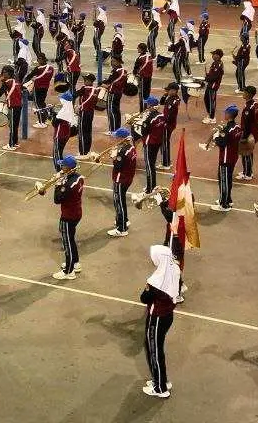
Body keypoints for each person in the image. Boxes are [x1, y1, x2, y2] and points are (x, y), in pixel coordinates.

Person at [141, 244, 181, 398]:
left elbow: (144, 298)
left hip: (156, 319)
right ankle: (161, 380)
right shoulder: (175, 270)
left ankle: (160, 388)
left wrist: (147, 288)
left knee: (155, 351)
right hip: (168, 316)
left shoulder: (156, 281)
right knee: (155, 348)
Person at [45, 155, 84, 280]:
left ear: (68, 168)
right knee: (71, 239)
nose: (61, 167)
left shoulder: (67, 185)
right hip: (77, 212)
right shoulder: (78, 178)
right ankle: (75, 263)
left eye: (63, 166)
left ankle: (69, 271)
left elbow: (57, 200)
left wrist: (57, 184)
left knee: (67, 242)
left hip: (68, 216)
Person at [210, 104, 241, 212]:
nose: (224, 114)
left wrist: (215, 137)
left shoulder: (227, 129)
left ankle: (224, 204)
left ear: (229, 114)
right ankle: (227, 199)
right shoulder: (237, 127)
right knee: (228, 179)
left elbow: (222, 143)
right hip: (233, 157)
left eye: (225, 113)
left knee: (224, 180)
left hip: (225, 158)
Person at [108, 127, 136, 237]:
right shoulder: (131, 147)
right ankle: (124, 219)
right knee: (122, 200)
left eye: (117, 137)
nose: (115, 139)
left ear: (122, 138)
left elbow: (118, 165)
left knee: (118, 202)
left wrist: (113, 157)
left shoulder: (122, 151)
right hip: (128, 178)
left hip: (121, 179)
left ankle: (122, 228)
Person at [237, 86, 258, 181]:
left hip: (248, 133)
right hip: (254, 131)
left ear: (249, 94)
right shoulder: (255, 104)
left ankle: (248, 173)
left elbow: (246, 124)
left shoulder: (248, 108)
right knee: (248, 152)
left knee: (246, 153)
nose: (243, 93)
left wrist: (244, 137)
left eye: (245, 92)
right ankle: (246, 171)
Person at [202, 49, 223, 124]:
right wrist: (208, 75)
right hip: (210, 84)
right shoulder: (214, 63)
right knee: (206, 99)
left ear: (218, 56)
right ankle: (209, 114)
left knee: (211, 101)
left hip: (213, 86)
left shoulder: (218, 65)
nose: (212, 56)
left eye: (214, 54)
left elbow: (215, 77)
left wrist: (206, 78)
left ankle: (212, 118)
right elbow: (212, 74)